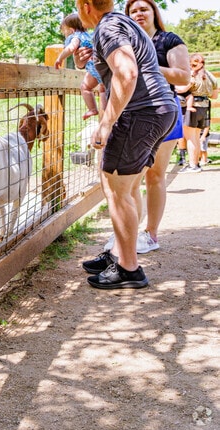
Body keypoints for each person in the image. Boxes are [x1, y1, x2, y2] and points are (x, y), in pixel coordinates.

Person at [75, 0, 178, 289]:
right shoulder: (123, 22)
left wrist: (106, 122)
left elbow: (127, 72)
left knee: (115, 188)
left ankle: (129, 268)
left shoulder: (108, 26)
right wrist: (89, 61)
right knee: (128, 185)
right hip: (161, 110)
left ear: (85, 6)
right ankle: (119, 253)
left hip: (140, 113)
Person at [99, 0, 190, 254]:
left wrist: (148, 68)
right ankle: (128, 236)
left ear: (154, 13)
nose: (138, 14)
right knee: (131, 180)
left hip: (162, 111)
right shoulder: (124, 40)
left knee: (155, 174)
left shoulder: (168, 40)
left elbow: (184, 76)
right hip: (133, 114)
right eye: (132, 11)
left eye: (143, 9)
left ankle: (151, 234)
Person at [55, 13, 107, 120]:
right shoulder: (90, 35)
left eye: (64, 32)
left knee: (85, 87)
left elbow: (71, 48)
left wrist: (60, 58)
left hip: (93, 68)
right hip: (102, 66)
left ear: (71, 30)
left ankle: (93, 109)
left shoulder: (75, 36)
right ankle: (107, 112)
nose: (65, 35)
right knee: (103, 89)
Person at [176, 53, 218, 173]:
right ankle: (196, 164)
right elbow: (214, 96)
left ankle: (192, 165)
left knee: (190, 138)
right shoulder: (210, 76)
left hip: (191, 107)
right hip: (204, 107)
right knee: (196, 137)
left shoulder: (191, 74)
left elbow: (182, 89)